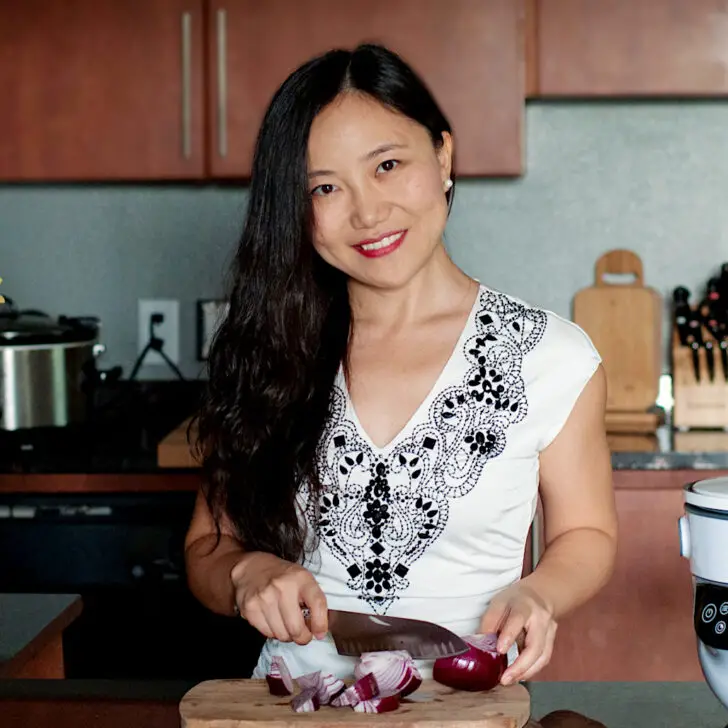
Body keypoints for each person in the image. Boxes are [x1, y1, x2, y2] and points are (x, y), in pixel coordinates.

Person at [184, 43, 616, 728]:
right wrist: (247, 576)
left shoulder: (551, 357)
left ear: (442, 158)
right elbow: (208, 549)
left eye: (388, 165)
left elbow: (587, 532)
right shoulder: (268, 351)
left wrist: (539, 595)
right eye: (324, 187)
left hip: (468, 712)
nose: (367, 211)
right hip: (286, 710)